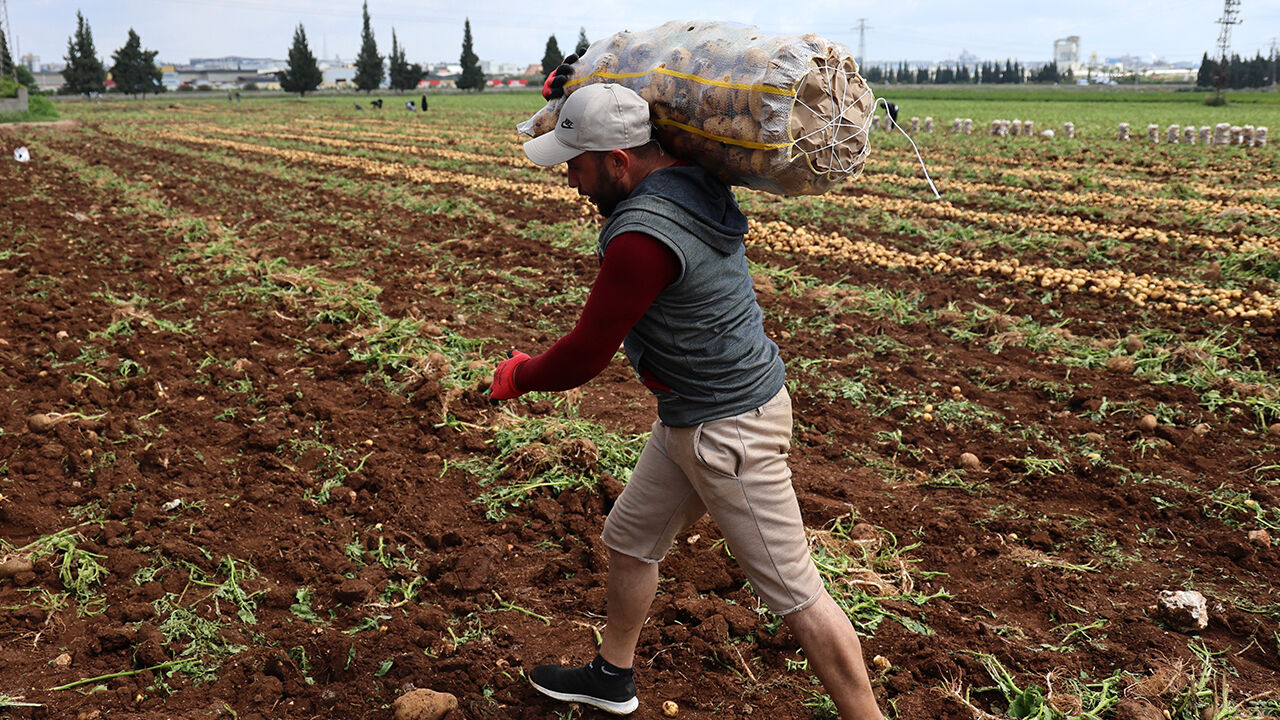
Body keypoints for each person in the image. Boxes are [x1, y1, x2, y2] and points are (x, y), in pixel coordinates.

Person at [489, 82, 885, 719]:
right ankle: (613, 677)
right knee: (629, 540)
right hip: (692, 417)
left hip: (728, 431)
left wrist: (520, 375)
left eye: (577, 164)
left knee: (796, 594)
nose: (571, 181)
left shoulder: (641, 239)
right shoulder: (688, 176)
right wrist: (569, 91)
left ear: (620, 160)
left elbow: (588, 353)